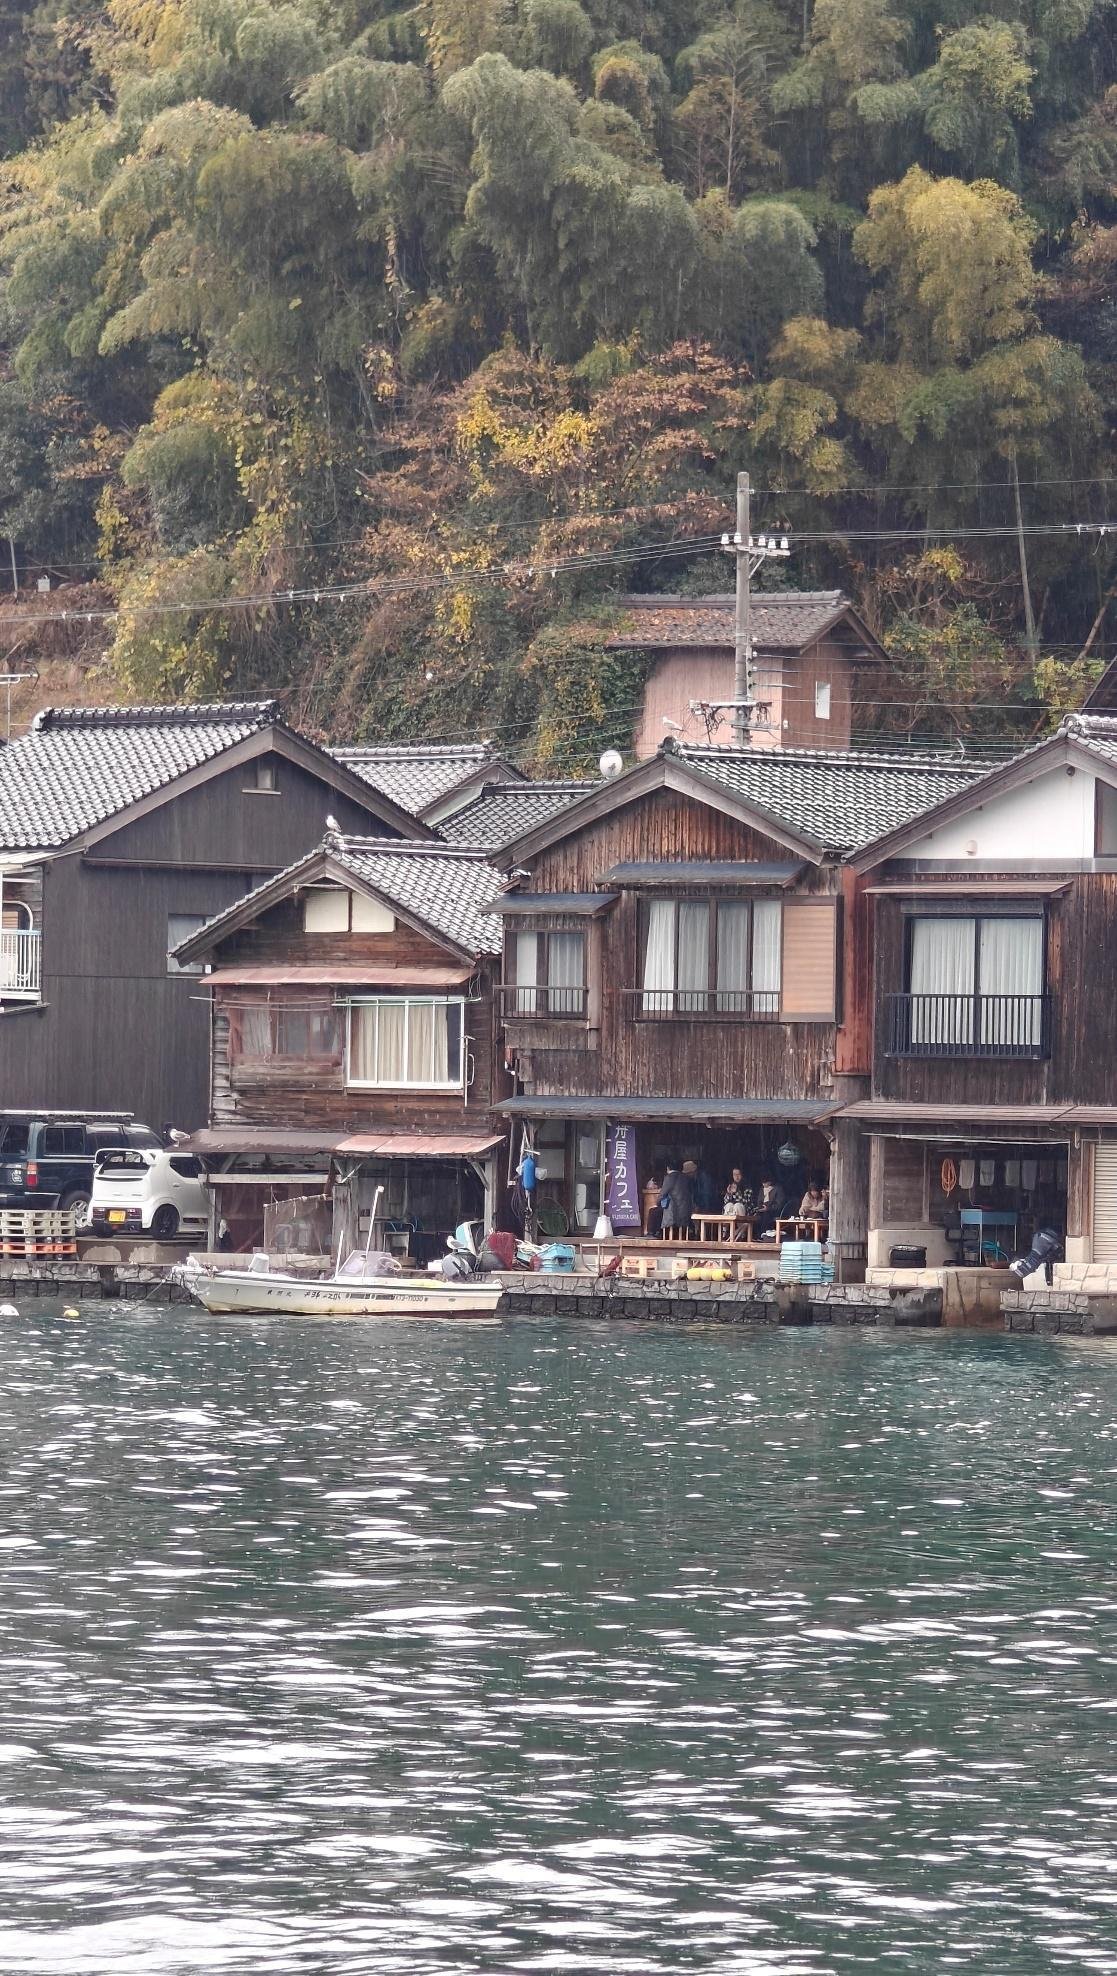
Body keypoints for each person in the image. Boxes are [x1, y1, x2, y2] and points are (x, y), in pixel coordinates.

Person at [658, 1158, 694, 1237]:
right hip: (687, 1209)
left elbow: (662, 1194)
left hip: (674, 1211)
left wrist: (657, 1203)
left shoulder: (669, 1177)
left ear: (668, 1168)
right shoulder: (687, 1178)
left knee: (654, 1212)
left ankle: (655, 1233)